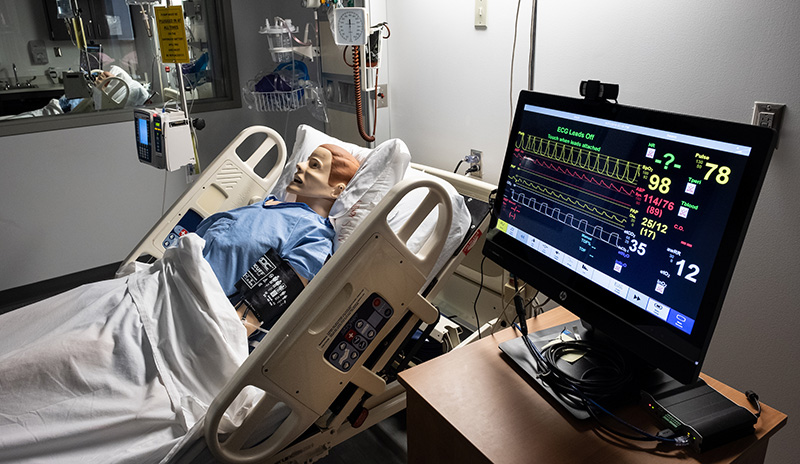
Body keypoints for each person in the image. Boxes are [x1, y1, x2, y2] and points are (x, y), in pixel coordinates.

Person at [195, 143, 360, 332]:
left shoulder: (314, 236)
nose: (300, 165)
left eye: (314, 165)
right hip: (173, 275)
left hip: (197, 307)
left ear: (337, 191)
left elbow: (248, 318)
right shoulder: (269, 204)